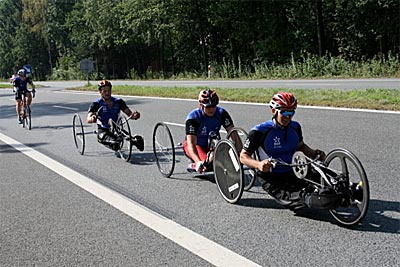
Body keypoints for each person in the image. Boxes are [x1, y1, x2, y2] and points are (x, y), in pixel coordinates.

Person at [240, 92, 327, 209]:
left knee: (324, 177)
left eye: (291, 112)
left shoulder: (295, 127)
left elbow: (300, 146)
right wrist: (258, 164)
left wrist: (314, 153)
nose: (288, 116)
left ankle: (352, 190)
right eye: (284, 112)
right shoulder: (259, 132)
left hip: (293, 171)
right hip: (271, 177)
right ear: (274, 111)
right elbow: (243, 156)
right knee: (303, 199)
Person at [184, 89, 238, 173]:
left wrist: (241, 154)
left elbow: (234, 135)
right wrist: (198, 162)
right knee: (208, 166)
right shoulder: (193, 117)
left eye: (214, 106)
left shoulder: (221, 113)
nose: (211, 109)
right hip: (196, 145)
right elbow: (191, 144)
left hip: (212, 144)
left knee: (226, 162)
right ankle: (193, 165)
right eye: (208, 107)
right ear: (201, 105)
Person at [87, 80, 144, 152]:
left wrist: (135, 116)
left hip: (117, 127)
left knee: (137, 141)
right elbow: (88, 118)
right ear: (100, 92)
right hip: (103, 129)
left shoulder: (118, 101)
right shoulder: (96, 104)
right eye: (104, 91)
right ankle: (114, 142)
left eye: (109, 90)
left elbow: (129, 114)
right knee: (114, 144)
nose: (107, 93)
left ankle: (134, 141)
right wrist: (93, 118)